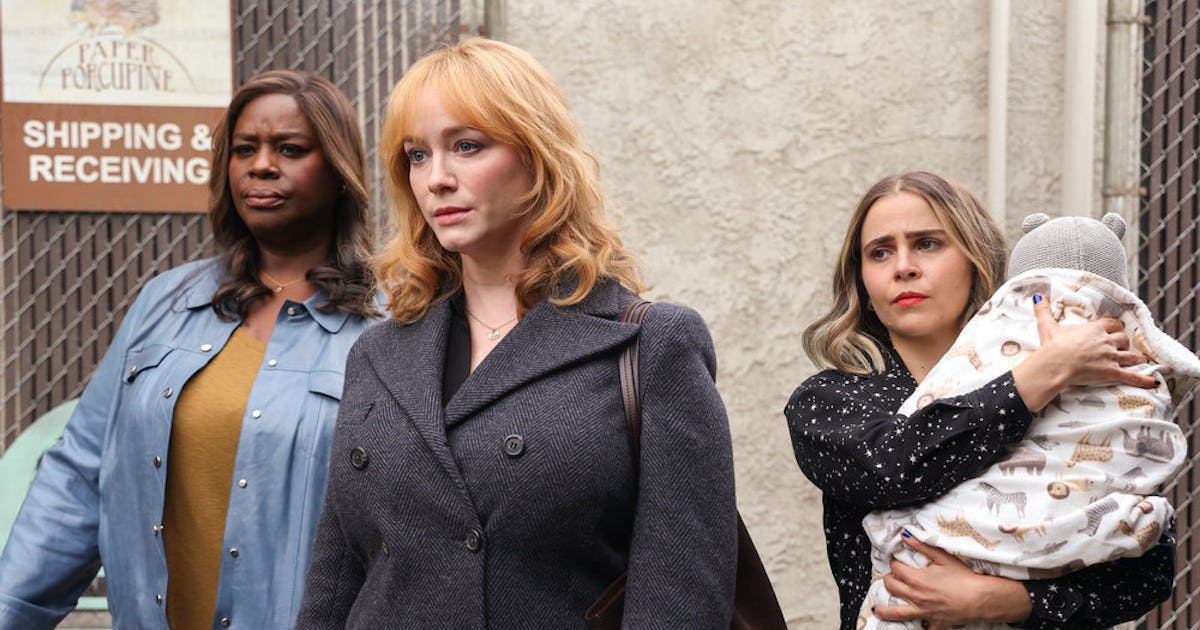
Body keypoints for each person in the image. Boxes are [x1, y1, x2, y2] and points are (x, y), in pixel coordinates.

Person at [296, 38, 737, 628]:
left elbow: (681, 600)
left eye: (467, 146)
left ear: (537, 154)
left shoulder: (650, 345)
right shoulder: (378, 352)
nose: (436, 179)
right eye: (417, 155)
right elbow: (337, 577)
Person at [0, 69, 378, 629]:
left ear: (339, 172)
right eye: (244, 149)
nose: (261, 165)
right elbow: (80, 475)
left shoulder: (391, 323)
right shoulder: (166, 301)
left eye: (290, 149)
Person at [784, 171, 1175, 630]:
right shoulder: (831, 399)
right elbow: (894, 467)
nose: (903, 267)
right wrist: (1038, 377)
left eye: (928, 244)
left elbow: (1149, 567)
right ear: (863, 282)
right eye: (880, 252)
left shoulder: (1076, 380)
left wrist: (1010, 602)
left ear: (976, 260)